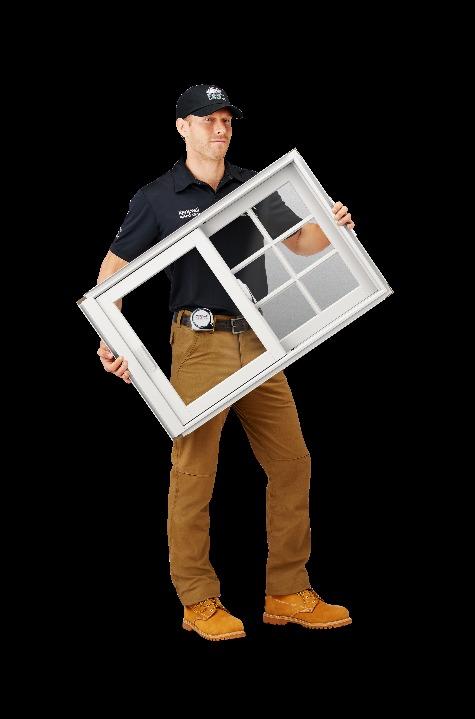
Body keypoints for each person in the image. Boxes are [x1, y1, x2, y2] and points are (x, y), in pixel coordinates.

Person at [96, 84, 355, 641]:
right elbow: (114, 271)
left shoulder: (252, 185)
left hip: (260, 340)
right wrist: (109, 338)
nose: (220, 129)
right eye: (207, 120)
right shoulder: (158, 197)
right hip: (199, 343)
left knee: (292, 462)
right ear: (182, 127)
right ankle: (198, 600)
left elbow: (301, 242)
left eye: (226, 121)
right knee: (195, 472)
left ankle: (287, 592)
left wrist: (332, 224)